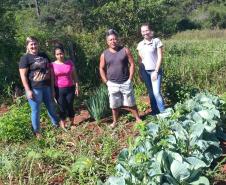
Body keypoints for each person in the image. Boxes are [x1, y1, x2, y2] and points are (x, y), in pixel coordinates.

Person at [99, 29, 141, 128]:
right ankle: (114, 122)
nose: (113, 41)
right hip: (112, 83)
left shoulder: (125, 50)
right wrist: (106, 81)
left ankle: (138, 119)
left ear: (117, 40)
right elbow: (101, 68)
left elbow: (132, 64)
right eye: (110, 40)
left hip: (125, 81)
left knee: (131, 102)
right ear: (107, 42)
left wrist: (130, 78)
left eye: (114, 39)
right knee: (114, 105)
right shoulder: (104, 54)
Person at [19, 36, 59, 138]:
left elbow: (51, 71)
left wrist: (53, 88)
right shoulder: (25, 58)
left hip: (47, 87)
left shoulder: (44, 55)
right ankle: (37, 132)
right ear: (27, 46)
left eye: (35, 43)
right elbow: (23, 76)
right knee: (36, 110)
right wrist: (28, 90)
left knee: (51, 107)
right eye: (31, 44)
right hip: (35, 88)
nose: (33, 46)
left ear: (38, 45)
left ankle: (56, 126)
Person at [137, 23, 165, 115]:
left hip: (155, 71)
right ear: (141, 33)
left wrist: (156, 71)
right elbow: (140, 60)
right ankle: (155, 111)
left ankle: (163, 113)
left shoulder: (156, 41)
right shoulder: (140, 44)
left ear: (150, 31)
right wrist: (140, 73)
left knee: (156, 92)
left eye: (146, 30)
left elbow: (160, 57)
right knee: (151, 93)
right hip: (145, 72)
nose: (145, 32)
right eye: (143, 31)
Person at [50, 46, 79, 128]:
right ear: (55, 55)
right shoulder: (52, 65)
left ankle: (72, 123)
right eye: (57, 54)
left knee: (70, 105)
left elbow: (74, 75)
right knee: (62, 107)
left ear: (64, 53)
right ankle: (63, 124)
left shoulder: (69, 63)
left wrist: (77, 86)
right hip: (58, 89)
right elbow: (52, 79)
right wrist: (52, 90)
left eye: (61, 53)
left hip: (70, 88)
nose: (60, 56)